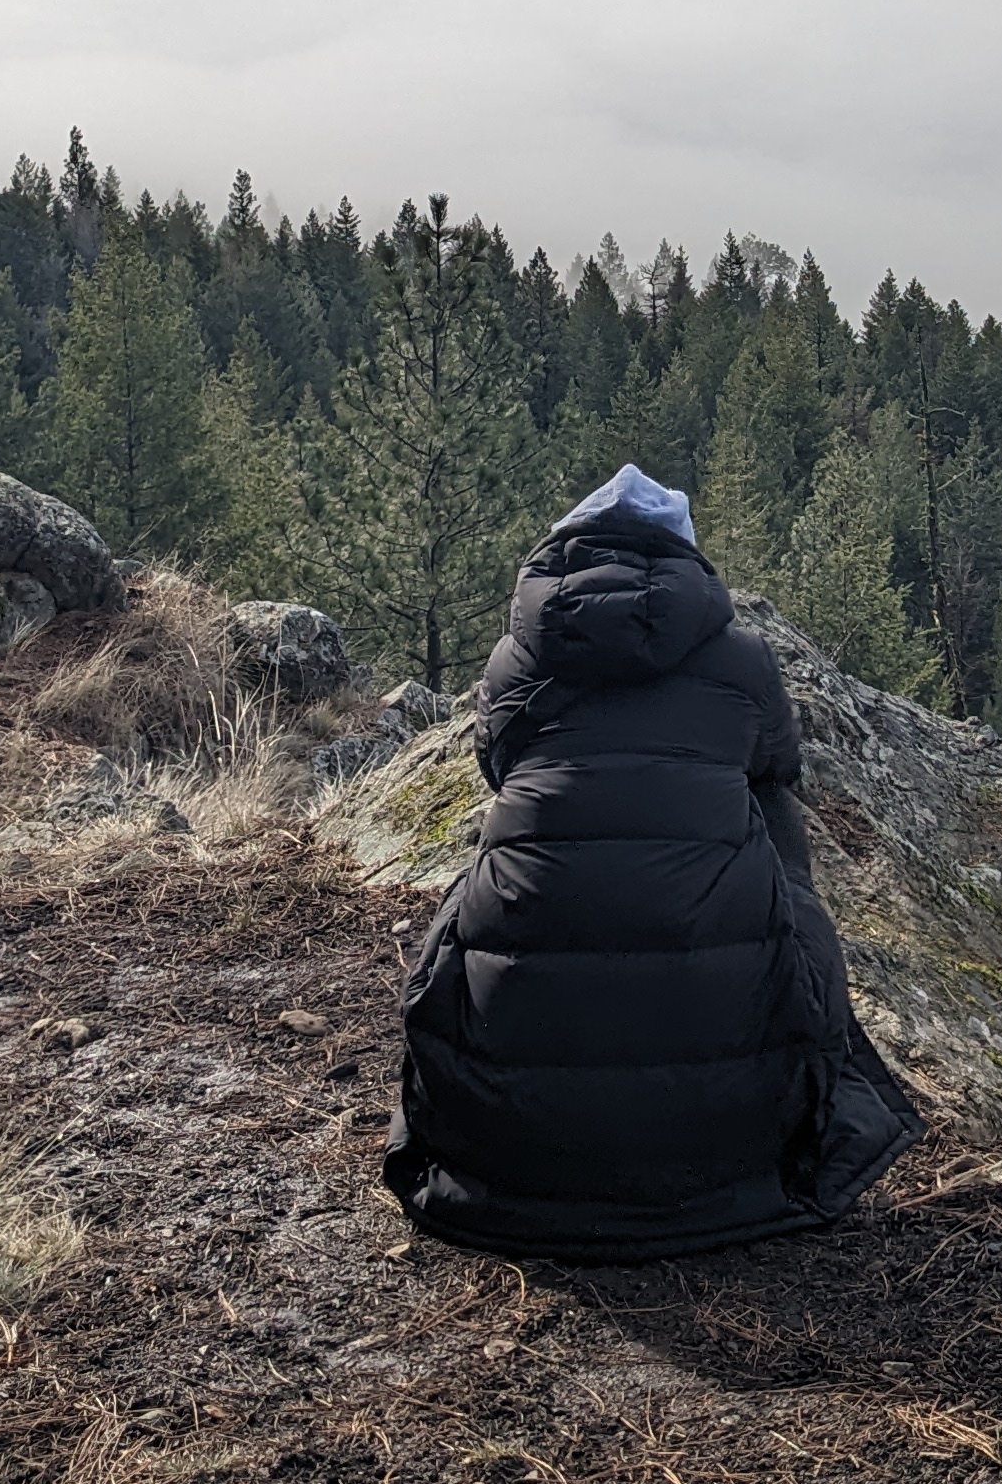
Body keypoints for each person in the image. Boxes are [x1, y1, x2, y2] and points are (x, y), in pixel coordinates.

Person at [383, 464, 923, 1259]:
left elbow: (497, 767)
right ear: (682, 560)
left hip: (512, 1139)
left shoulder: (516, 660)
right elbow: (779, 761)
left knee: (516, 844)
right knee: (763, 816)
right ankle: (767, 1100)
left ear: (567, 553)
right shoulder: (741, 659)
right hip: (722, 1116)